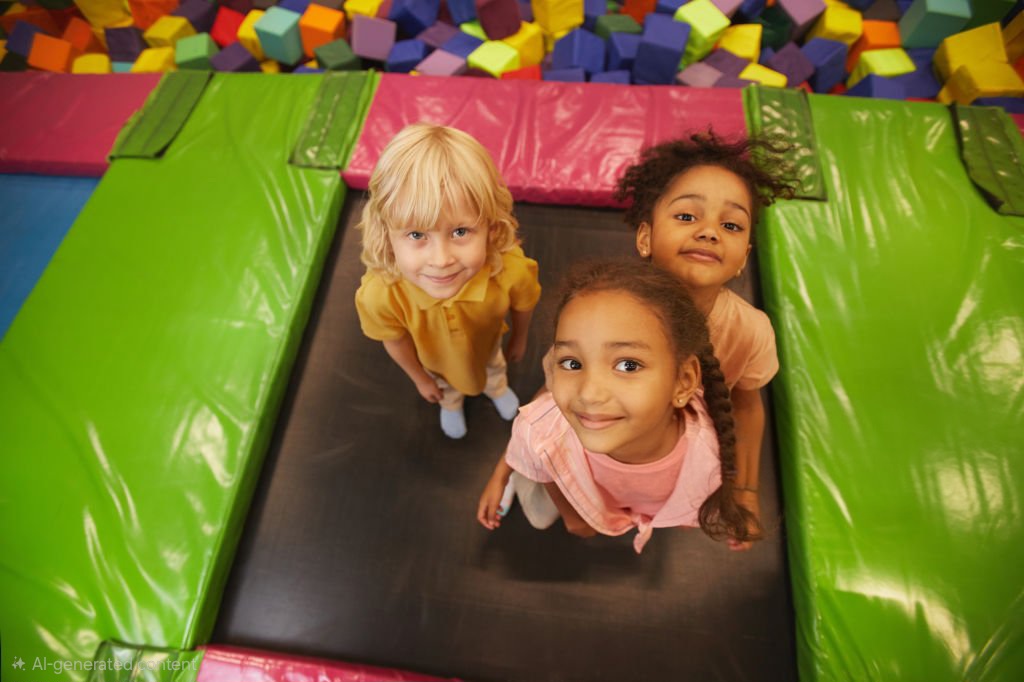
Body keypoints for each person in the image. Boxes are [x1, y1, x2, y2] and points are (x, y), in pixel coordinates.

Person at [477, 259, 758, 553]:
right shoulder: (544, 429)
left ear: (684, 381)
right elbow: (540, 450)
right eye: (572, 363)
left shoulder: (709, 457)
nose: (589, 393)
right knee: (540, 517)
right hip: (579, 495)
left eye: (628, 365)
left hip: (624, 504)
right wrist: (571, 515)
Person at [614, 131, 796, 549]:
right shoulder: (607, 312)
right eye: (686, 217)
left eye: (730, 225)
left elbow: (748, 407)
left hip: (678, 459)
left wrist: (746, 492)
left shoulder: (750, 331)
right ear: (645, 238)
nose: (710, 232)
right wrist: (516, 463)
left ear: (743, 257)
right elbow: (563, 385)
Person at [354, 123, 541, 439]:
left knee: (494, 366)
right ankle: (452, 403)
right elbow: (394, 340)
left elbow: (524, 305)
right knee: (446, 385)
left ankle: (496, 387)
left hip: (489, 345)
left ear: (491, 229)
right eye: (416, 235)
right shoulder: (380, 295)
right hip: (436, 363)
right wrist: (420, 379)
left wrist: (519, 339)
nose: (441, 260)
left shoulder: (511, 270)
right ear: (387, 234)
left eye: (460, 232)